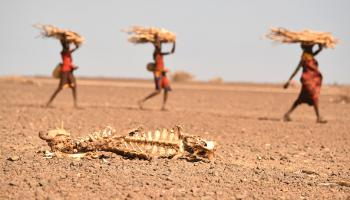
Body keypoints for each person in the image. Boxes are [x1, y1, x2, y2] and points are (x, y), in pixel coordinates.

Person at [283, 43, 327, 123]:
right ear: (307, 48)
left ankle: (287, 114)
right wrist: (289, 81)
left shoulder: (310, 55)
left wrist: (320, 47)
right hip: (308, 81)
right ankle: (319, 117)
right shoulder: (304, 57)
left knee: (301, 99)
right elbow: (296, 69)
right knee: (314, 96)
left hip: (311, 80)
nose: (312, 47)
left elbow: (316, 53)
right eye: (311, 46)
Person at [138, 34, 176, 111]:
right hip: (158, 73)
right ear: (156, 46)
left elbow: (172, 52)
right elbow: (157, 45)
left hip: (163, 74)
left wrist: (174, 42)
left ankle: (163, 106)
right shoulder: (155, 54)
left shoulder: (161, 53)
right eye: (158, 45)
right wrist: (157, 39)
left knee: (166, 89)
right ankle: (142, 100)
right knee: (158, 91)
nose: (160, 46)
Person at [46, 38, 79, 108]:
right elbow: (68, 52)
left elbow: (70, 53)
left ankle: (75, 104)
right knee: (60, 88)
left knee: (74, 86)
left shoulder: (68, 52)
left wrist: (76, 47)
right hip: (64, 71)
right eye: (68, 44)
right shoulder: (63, 52)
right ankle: (48, 103)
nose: (69, 46)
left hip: (69, 71)